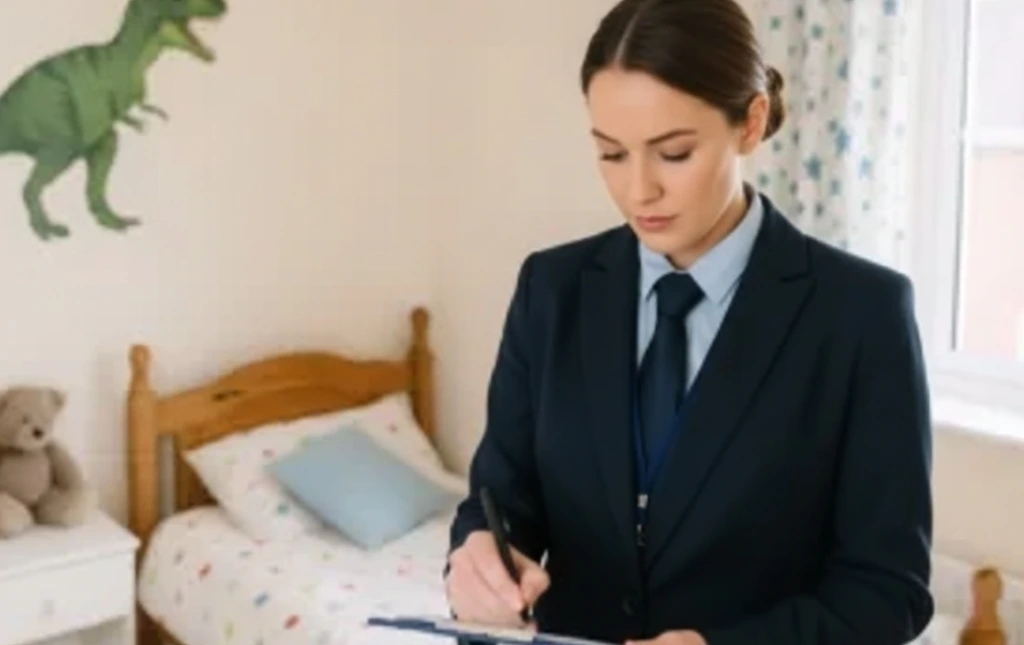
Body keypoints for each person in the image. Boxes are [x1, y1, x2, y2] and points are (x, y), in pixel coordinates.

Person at [444, 0, 934, 644]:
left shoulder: (861, 314)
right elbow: (500, 501)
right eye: (611, 154)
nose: (638, 191)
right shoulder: (551, 289)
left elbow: (887, 590)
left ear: (750, 123)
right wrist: (479, 559)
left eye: (673, 153)